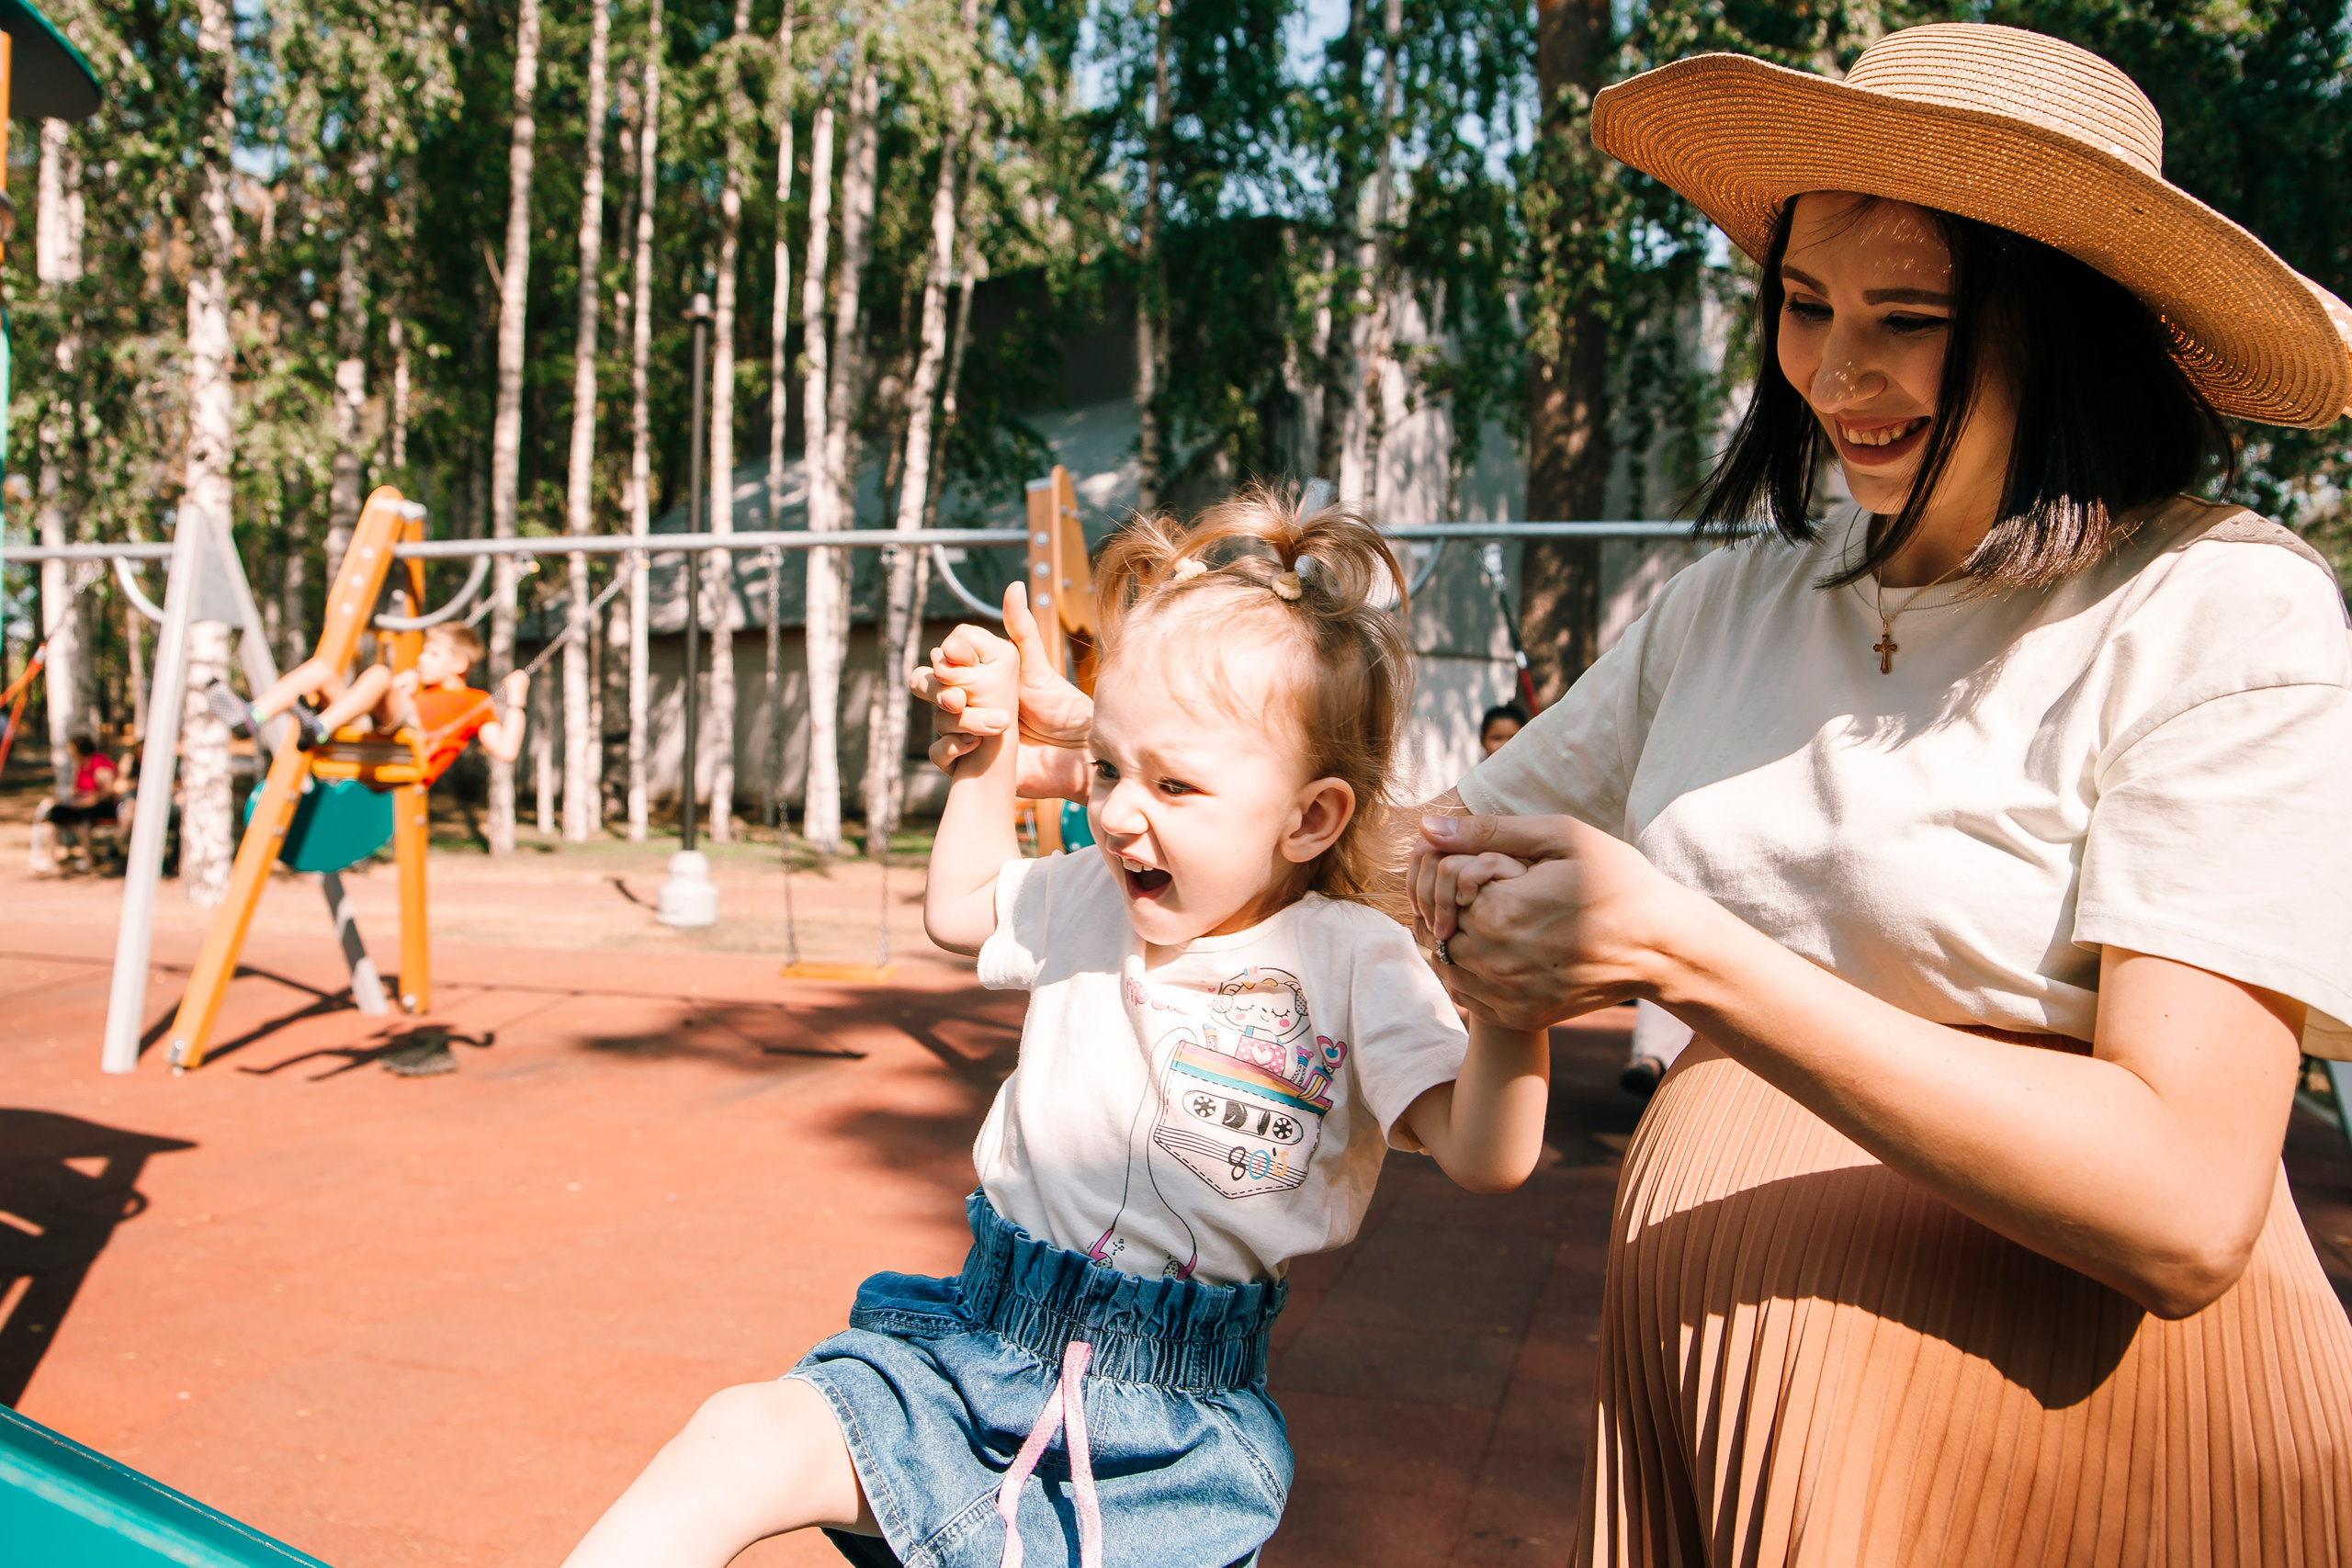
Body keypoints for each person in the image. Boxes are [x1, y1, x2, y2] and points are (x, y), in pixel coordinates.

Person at [920, 27, 2352, 1563]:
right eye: (1804, 306)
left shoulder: (2219, 608)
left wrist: (1686, 956)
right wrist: (1131, 754)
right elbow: (1397, 850)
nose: (1837, 371)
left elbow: (2185, 1203)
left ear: (2068, 330)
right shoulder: (1736, 605)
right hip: (1729, 1394)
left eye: (1911, 317)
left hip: (2062, 1436)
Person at [561, 493, 1551, 1568]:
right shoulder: (1092, 893)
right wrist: (986, 749)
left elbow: (1485, 1153)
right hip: (974, 1343)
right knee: (744, 1433)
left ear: (1310, 817)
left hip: (1172, 1431)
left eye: (1175, 784)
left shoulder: (1354, 960)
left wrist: (1511, 1007)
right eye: (1113, 768)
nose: (1122, 811)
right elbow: (960, 907)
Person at [206, 622, 526, 789]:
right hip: (369, 727)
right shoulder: (418, 689)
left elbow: (507, 750)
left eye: (432, 654)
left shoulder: (475, 701)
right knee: (320, 669)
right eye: (423, 652)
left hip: (408, 739)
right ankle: (252, 716)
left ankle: (318, 728)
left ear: (458, 663)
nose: (421, 659)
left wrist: (517, 700)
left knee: (378, 673)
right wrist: (402, 688)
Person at [28, 732, 120, 874]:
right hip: (80, 804)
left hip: (100, 806)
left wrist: (90, 800)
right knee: (54, 815)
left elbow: (108, 790)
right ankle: (51, 859)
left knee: (81, 817)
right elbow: (76, 790)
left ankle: (90, 858)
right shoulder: (80, 765)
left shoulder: (98, 762)